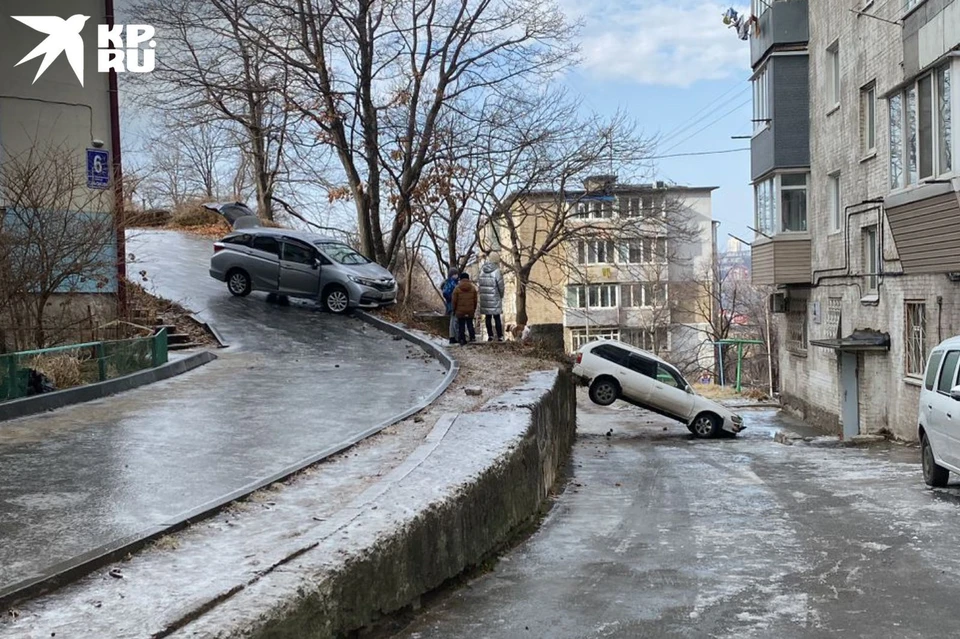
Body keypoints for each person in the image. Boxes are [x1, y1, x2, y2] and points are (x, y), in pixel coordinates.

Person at [477, 252, 505, 341]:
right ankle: (500, 335)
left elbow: (480, 284)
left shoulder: (482, 270)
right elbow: (500, 285)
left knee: (488, 317)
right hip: (495, 296)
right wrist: (501, 295)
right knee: (496, 317)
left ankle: (490, 335)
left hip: (485, 298)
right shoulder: (497, 271)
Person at [451, 272, 478, 345]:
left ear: (460, 279)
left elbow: (454, 301)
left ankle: (462, 339)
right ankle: (472, 337)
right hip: (470, 310)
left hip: (460, 311)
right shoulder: (473, 288)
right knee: (470, 324)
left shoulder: (457, 288)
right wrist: (474, 309)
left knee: (461, 325)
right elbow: (475, 300)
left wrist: (454, 309)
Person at [440, 266, 460, 344]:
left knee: (453, 320)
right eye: (456, 274)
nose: (457, 276)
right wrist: (452, 298)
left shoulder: (450, 282)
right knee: (454, 320)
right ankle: (454, 337)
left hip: (451, 304)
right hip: (452, 304)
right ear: (453, 275)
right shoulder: (452, 282)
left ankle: (452, 336)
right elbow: (445, 293)